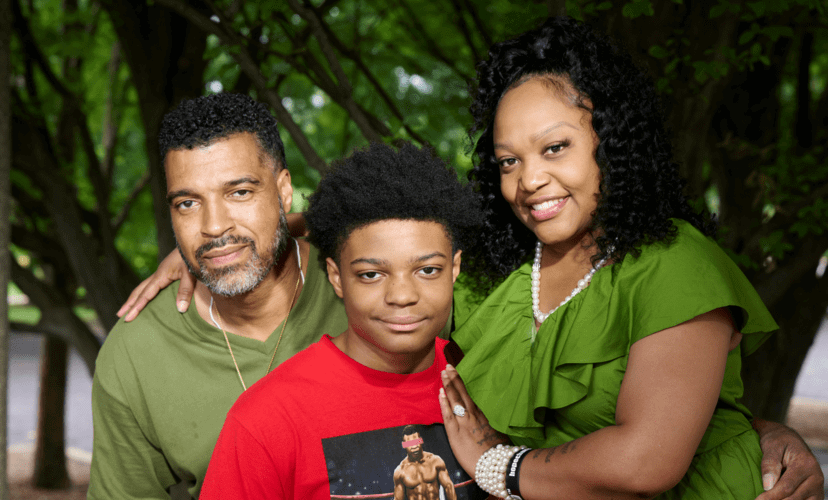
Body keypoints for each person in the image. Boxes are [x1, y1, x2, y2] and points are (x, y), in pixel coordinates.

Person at [437, 16, 825, 500]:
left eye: (556, 148)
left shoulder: (673, 261)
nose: (529, 179)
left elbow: (646, 462)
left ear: (611, 142)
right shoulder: (490, 275)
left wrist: (500, 466)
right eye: (508, 160)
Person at [88, 93, 349, 499]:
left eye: (239, 192)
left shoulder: (365, 291)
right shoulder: (135, 353)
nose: (213, 226)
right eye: (188, 203)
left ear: (283, 192)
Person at [198, 142, 486, 499]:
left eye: (427, 270)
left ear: (454, 268)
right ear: (336, 277)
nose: (402, 295)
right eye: (371, 275)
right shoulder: (266, 419)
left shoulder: (487, 379)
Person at [395, 425, 458, 500]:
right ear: (404, 445)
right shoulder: (400, 471)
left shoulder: (435, 461)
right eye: (409, 444)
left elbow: (448, 486)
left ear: (421, 440)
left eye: (416, 441)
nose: (414, 446)